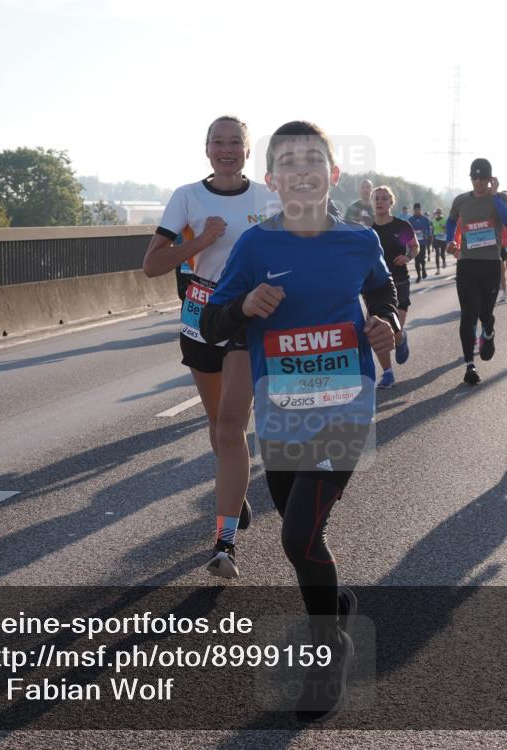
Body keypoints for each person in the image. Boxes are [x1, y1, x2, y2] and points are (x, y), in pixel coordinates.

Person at [201, 121, 398, 723]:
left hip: (345, 399)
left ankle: (328, 654)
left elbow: (383, 293)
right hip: (282, 406)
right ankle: (333, 604)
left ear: (333, 174)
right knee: (304, 536)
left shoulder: (360, 240)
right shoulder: (257, 246)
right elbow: (211, 325)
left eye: (314, 158)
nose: (302, 168)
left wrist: (389, 324)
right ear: (272, 181)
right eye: (288, 161)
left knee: (295, 537)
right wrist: (242, 307)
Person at [143, 115, 277, 579]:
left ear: (246, 149)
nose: (226, 149)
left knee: (232, 421)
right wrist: (201, 240)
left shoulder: (268, 198)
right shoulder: (187, 197)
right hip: (201, 316)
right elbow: (152, 265)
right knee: (218, 422)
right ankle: (232, 490)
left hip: (247, 318)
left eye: (234, 142)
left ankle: (225, 543)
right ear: (206, 148)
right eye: (218, 142)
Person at [446, 158, 507, 385]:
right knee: (468, 314)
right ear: (470, 178)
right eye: (475, 177)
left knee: (485, 313)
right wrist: (451, 241)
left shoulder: (500, 199)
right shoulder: (461, 201)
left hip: (490, 264)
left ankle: (488, 330)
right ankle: (470, 365)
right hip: (467, 263)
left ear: (490, 178)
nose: (478, 182)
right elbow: (450, 221)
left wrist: (495, 195)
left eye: (483, 178)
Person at [370, 186, 418, 388]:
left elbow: (415, 246)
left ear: (391, 202)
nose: (380, 202)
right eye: (376, 198)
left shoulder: (401, 226)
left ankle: (400, 338)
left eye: (384, 199)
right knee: (375, 330)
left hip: (399, 281)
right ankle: (387, 373)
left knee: (392, 326)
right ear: (372, 202)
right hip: (374, 285)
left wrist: (407, 256)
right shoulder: (368, 229)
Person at [407, 202, 432, 283]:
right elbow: (407, 231)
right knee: (417, 259)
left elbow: (429, 230)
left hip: (423, 242)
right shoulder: (410, 220)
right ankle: (419, 276)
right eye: (415, 209)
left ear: (421, 209)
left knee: (422, 258)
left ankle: (424, 269)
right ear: (413, 210)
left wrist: (426, 235)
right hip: (414, 243)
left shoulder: (425, 219)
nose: (417, 211)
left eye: (418, 209)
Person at [431, 207, 449, 274]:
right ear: (436, 214)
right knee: (437, 254)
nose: (438, 214)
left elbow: (447, 228)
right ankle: (438, 269)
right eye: (437, 213)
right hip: (436, 238)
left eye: (439, 213)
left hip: (443, 238)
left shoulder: (445, 220)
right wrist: (432, 240)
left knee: (442, 253)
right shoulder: (434, 221)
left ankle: (444, 261)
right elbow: (433, 230)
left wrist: (444, 227)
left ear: (441, 213)